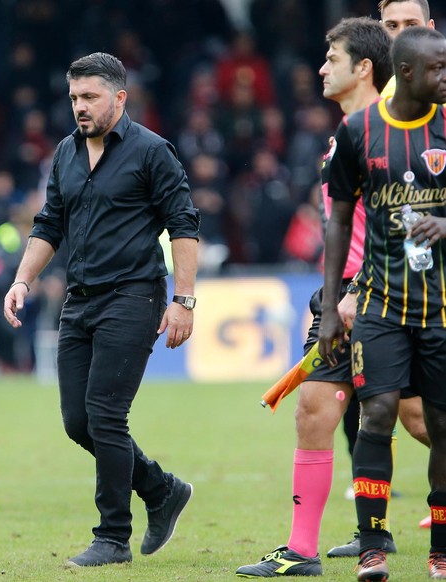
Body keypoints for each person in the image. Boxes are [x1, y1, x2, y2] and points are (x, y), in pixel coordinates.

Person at [236, 14, 435, 577]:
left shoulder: (396, 137)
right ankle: (301, 551)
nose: (321, 69)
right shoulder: (343, 138)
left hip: (387, 296)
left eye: (332, 59)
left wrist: (360, 292)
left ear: (363, 68)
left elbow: (401, 226)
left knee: (421, 419)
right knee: (315, 410)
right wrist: (331, 297)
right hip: (341, 299)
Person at [2, 52, 199, 568]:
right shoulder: (65, 152)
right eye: (73, 98)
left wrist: (183, 300)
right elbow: (49, 224)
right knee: (77, 422)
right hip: (80, 298)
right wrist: (23, 280)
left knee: (106, 416)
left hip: (134, 294)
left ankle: (112, 538)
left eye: (89, 97)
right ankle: (161, 490)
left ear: (119, 97)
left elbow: (184, 224)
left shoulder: (153, 151)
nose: (79, 107)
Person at [319, 26, 446, 581]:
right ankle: (372, 546)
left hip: (442, 308)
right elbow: (339, 220)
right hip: (380, 305)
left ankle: (441, 550)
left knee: (441, 425)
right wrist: (328, 309)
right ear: (410, 73)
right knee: (377, 412)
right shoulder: (357, 132)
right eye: (439, 68)